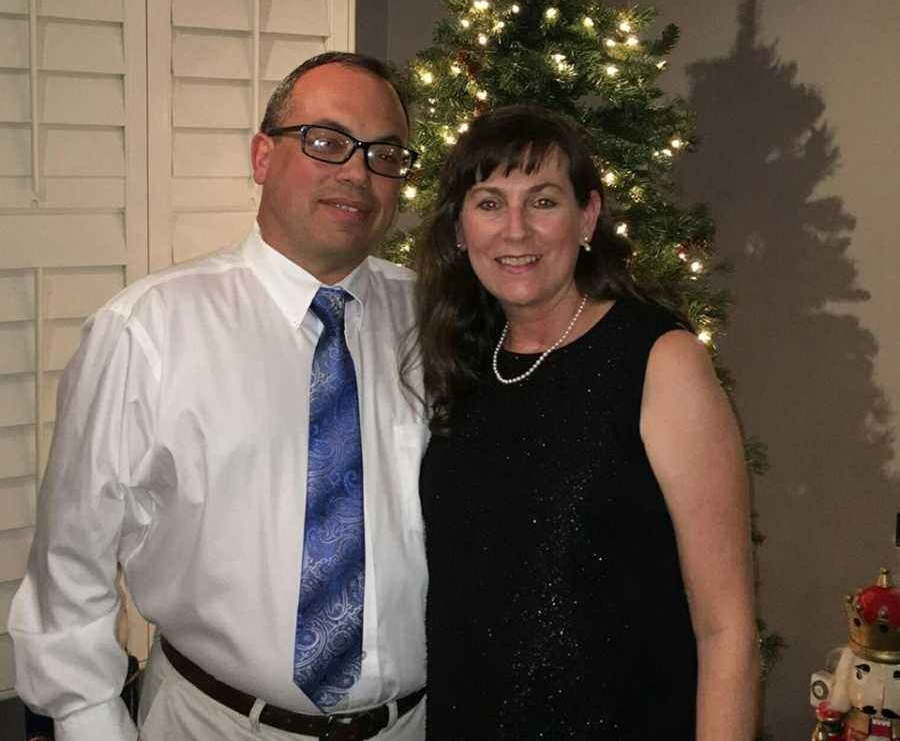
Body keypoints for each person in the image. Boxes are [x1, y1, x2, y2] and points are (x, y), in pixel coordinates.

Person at [9, 52, 429, 741]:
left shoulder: (431, 319)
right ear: (264, 156)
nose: (356, 172)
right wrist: (90, 720)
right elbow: (70, 563)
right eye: (325, 141)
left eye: (384, 153)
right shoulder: (146, 331)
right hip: (218, 723)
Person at [414, 105, 758, 740]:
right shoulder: (456, 367)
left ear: (588, 217)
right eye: (489, 204)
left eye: (543, 201)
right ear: (461, 231)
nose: (515, 232)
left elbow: (726, 626)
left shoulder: (659, 359)